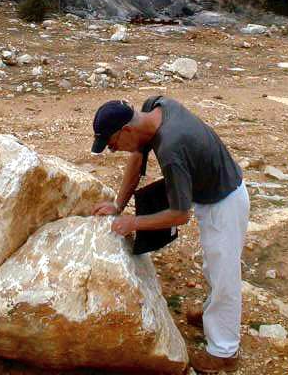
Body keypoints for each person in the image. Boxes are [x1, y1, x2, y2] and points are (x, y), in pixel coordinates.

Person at [91, 96, 250, 374]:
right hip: (208, 189)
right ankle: (214, 314)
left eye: (113, 145)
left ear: (127, 130)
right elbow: (137, 156)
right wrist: (118, 205)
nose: (115, 150)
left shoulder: (171, 149)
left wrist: (133, 223)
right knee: (213, 265)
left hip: (224, 200)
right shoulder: (155, 107)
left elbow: (179, 215)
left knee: (224, 274)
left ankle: (224, 351)